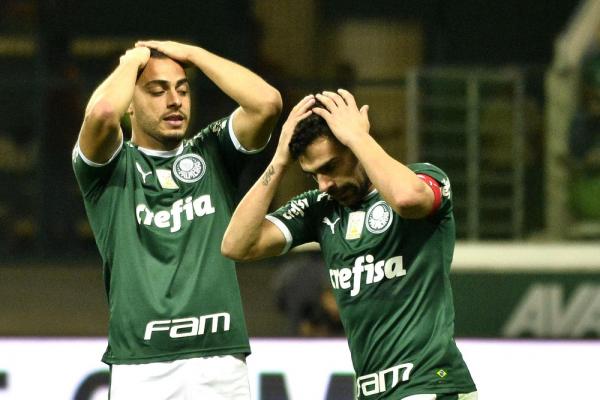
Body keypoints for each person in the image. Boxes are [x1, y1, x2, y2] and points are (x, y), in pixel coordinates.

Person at [222, 89, 477, 399]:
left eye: (330, 167)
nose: (324, 184)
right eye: (313, 174)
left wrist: (359, 137)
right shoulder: (320, 208)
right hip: (369, 392)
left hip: (431, 383)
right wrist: (279, 161)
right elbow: (237, 245)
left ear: (355, 145)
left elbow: (408, 199)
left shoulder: (422, 178)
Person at [72, 40, 281, 399]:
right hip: (142, 364)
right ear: (131, 106)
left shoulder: (212, 152)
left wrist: (196, 55)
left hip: (221, 358)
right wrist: (133, 61)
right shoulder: (109, 169)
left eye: (182, 90)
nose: (174, 100)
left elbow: (266, 104)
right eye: (157, 90)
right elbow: (104, 111)